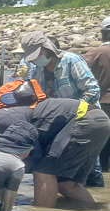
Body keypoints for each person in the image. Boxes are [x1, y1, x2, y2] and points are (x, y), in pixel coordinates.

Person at [0, 97, 110, 208]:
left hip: (85, 119)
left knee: (43, 172)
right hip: (95, 120)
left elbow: (30, 156)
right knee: (65, 184)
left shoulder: (2, 122)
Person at [21, 31, 103, 186]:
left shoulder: (71, 61)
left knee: (91, 169)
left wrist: (75, 111)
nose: (35, 60)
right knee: (62, 172)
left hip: (84, 120)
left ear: (46, 50)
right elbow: (36, 95)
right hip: (58, 124)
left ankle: (97, 203)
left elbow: (93, 91)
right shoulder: (37, 69)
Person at [81, 16, 110, 173]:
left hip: (104, 102)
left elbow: (79, 71)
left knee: (102, 141)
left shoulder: (97, 52)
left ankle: (101, 174)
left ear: (102, 33)